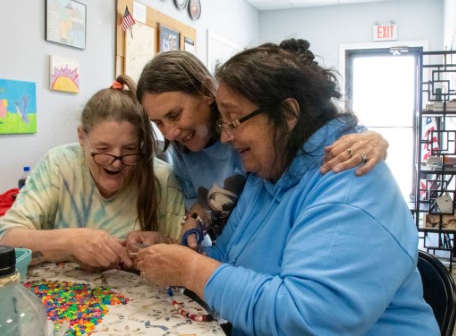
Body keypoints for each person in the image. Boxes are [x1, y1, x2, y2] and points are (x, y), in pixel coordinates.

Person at [131, 40, 439, 335]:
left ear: (288, 114)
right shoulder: (266, 175)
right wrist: (175, 252)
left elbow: (307, 320)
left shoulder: (349, 184)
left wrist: (190, 270)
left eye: (234, 121)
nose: (225, 137)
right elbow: (224, 257)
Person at [136, 50, 389, 241]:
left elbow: (324, 128)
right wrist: (193, 223)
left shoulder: (258, 138)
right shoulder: (182, 151)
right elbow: (200, 207)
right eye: (158, 122)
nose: (170, 132)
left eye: (174, 115)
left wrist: (374, 138)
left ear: (206, 91)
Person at [0, 75, 184, 270]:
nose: (115, 162)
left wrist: (161, 242)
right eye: (103, 148)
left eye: (129, 149)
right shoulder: (58, 165)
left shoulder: (163, 179)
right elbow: (6, 238)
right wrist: (70, 242)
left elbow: (188, 255)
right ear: (81, 137)